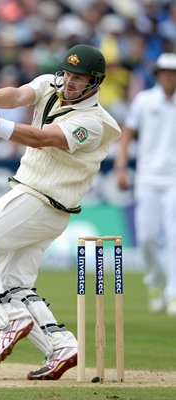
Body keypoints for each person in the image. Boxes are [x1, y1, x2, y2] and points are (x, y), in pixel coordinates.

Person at [0, 44, 121, 380]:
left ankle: (8, 319)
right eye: (67, 74)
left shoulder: (94, 123)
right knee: (14, 284)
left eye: (79, 79)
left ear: (95, 83)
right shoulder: (51, 83)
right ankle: (61, 346)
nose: (69, 83)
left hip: (39, 199)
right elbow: (19, 95)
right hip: (41, 205)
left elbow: (40, 138)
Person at [115, 52, 176, 317]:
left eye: (173, 73)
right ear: (158, 74)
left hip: (174, 178)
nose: (169, 77)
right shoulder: (144, 100)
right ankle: (154, 280)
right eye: (165, 72)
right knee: (148, 236)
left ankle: (173, 293)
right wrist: (120, 167)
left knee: (174, 237)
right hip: (147, 178)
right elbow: (127, 133)